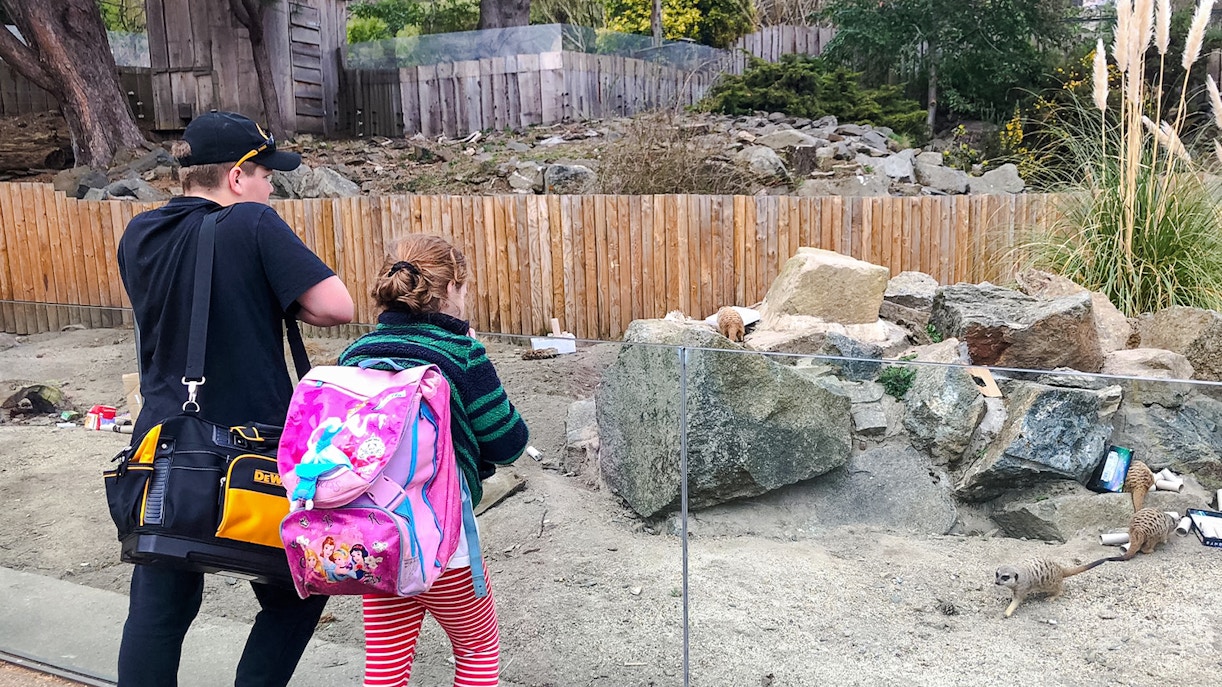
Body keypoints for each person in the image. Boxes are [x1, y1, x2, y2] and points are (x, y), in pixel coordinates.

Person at [115, 110, 355, 687]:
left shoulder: (140, 233)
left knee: (160, 605)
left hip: (165, 444)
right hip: (251, 449)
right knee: (296, 592)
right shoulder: (252, 221)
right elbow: (336, 307)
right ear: (238, 176)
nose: (271, 187)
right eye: (267, 175)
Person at [337, 234, 529, 687]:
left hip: (376, 538)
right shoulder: (461, 355)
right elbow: (509, 443)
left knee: (385, 664)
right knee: (477, 649)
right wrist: (475, 360)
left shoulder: (356, 354)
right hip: (443, 545)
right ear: (452, 288)